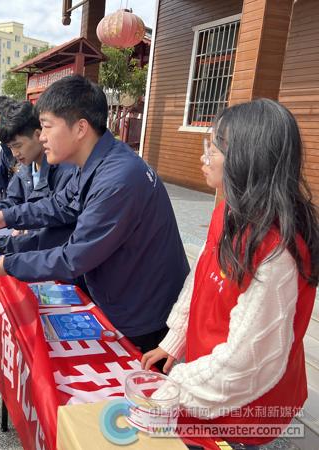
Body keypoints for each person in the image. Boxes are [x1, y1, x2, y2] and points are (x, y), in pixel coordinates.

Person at [140, 99, 319, 446]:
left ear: (247, 159)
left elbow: (246, 361)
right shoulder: (228, 209)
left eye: (213, 149)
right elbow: (202, 276)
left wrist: (174, 390)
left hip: (245, 403)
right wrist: (176, 339)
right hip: (210, 377)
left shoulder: (276, 250)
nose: (203, 157)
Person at [0, 75, 189, 352]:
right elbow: (61, 205)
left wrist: (11, 263)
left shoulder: (118, 179)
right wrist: (7, 217)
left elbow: (74, 257)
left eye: (47, 126)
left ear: (80, 128)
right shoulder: (98, 161)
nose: (41, 137)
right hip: (123, 294)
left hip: (143, 313)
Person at [0, 101, 77, 253]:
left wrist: (5, 243)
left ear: (38, 135)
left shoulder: (66, 170)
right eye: (10, 147)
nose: (15, 154)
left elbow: (55, 225)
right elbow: (13, 201)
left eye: (18, 145)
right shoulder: (25, 168)